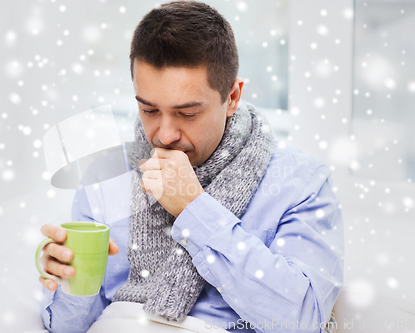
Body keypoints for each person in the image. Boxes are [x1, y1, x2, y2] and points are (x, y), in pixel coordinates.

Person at [38, 1, 344, 332]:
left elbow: (302, 320)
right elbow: (68, 327)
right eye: (150, 110)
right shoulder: (106, 174)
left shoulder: (299, 182)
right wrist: (66, 279)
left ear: (233, 97)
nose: (165, 135)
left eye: (187, 113)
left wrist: (194, 209)